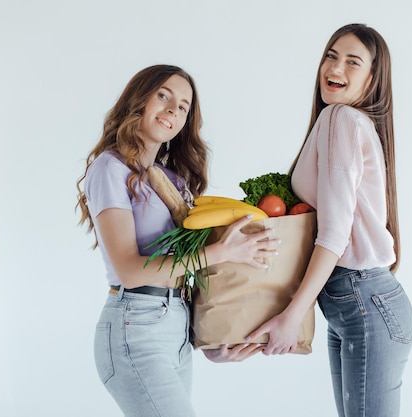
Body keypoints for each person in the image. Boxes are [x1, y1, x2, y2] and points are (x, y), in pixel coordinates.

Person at [75, 64, 275, 417]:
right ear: (139, 100)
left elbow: (183, 272)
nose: (172, 110)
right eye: (163, 95)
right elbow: (132, 271)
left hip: (176, 324)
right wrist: (223, 251)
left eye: (183, 106)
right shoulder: (110, 169)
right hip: (134, 326)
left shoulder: (173, 180)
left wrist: (209, 339)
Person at [247, 24, 412, 417]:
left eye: (352, 61)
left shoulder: (342, 119)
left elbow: (334, 235)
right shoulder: (340, 121)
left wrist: (291, 317)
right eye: (331, 55)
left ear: (372, 80)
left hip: (362, 301)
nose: (335, 66)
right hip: (357, 304)